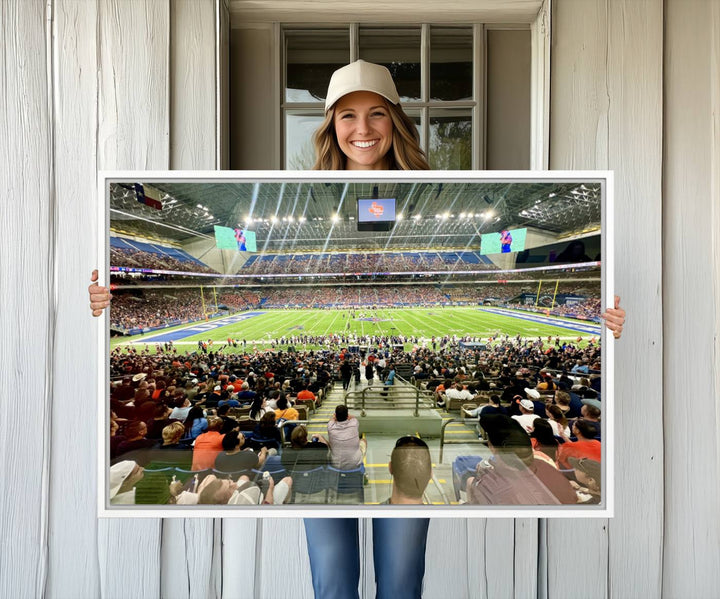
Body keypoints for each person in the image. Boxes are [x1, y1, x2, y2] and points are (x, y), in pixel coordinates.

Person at [89, 59, 626, 599]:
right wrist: (100, 306)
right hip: (337, 464)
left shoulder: (447, 189)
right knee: (333, 582)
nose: (362, 128)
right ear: (330, 125)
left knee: (400, 580)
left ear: (395, 120)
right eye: (347, 115)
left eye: (376, 114)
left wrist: (609, 323)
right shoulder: (294, 193)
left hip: (364, 468)